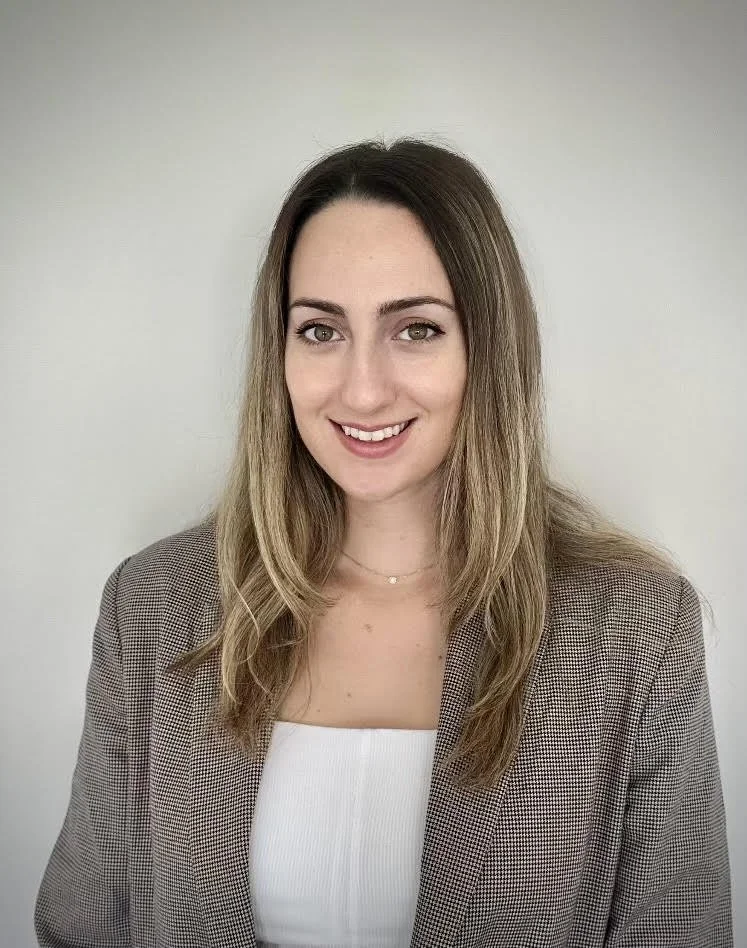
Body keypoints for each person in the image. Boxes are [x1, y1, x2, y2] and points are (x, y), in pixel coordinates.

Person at [34, 137, 732, 947]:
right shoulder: (152, 608)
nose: (363, 389)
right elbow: (82, 930)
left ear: (487, 348)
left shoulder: (634, 633)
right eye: (321, 331)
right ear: (280, 354)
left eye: (416, 330)